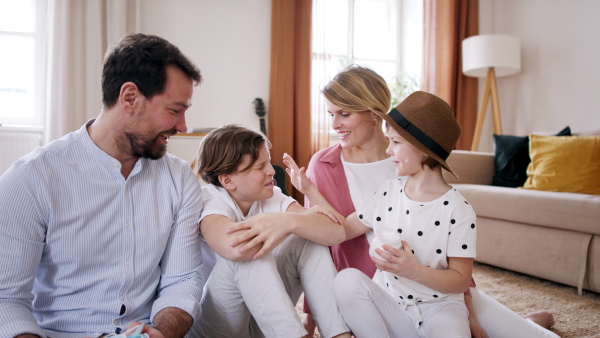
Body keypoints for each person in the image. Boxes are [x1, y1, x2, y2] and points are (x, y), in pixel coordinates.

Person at [288, 65, 558, 338]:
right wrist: (315, 310)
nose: (334, 125)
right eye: (331, 114)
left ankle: (525, 324)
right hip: (376, 295)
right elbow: (325, 238)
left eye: (344, 114)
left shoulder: (409, 165)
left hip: (435, 292)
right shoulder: (324, 165)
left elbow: (449, 253)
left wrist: (470, 313)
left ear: (373, 113)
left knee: (501, 329)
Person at [0, 33, 204, 338]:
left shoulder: (180, 179)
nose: (183, 126)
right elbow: (7, 299)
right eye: (175, 110)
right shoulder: (31, 178)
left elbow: (183, 280)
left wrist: (161, 333)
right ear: (130, 97)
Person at [188, 125, 351, 338]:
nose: (272, 171)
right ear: (227, 180)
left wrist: (287, 221)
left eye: (269, 161)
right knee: (248, 252)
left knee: (308, 241)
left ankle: (339, 335)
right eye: (260, 166)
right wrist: (291, 223)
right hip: (218, 326)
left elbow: (336, 233)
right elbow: (236, 248)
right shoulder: (210, 200)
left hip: (263, 323)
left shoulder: (271, 195)